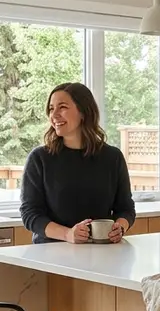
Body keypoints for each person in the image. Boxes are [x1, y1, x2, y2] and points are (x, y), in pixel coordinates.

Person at [20, 82, 135, 244]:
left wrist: (120, 227)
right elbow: (30, 214)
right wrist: (68, 234)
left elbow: (126, 209)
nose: (54, 115)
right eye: (52, 109)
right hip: (51, 254)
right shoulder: (39, 158)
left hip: (102, 253)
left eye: (62, 107)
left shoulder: (113, 157)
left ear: (83, 112)